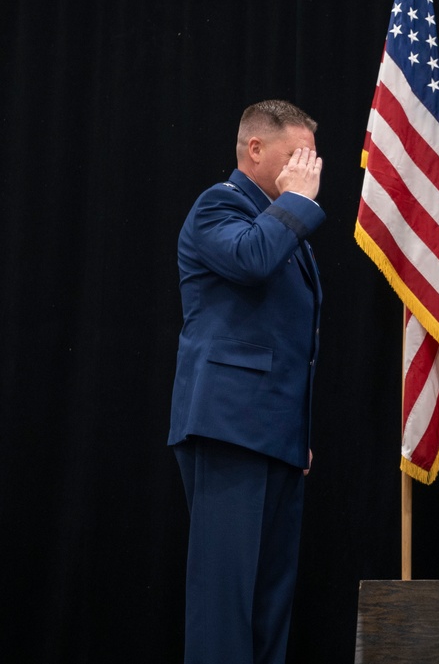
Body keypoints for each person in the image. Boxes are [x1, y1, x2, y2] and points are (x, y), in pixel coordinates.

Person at [167, 99, 325, 664]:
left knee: (269, 599)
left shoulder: (286, 226)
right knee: (226, 597)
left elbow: (292, 343)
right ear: (255, 150)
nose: (310, 169)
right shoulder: (218, 206)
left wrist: (296, 431)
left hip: (277, 435)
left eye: (312, 157)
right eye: (296, 156)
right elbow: (252, 259)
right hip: (229, 428)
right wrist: (300, 203)